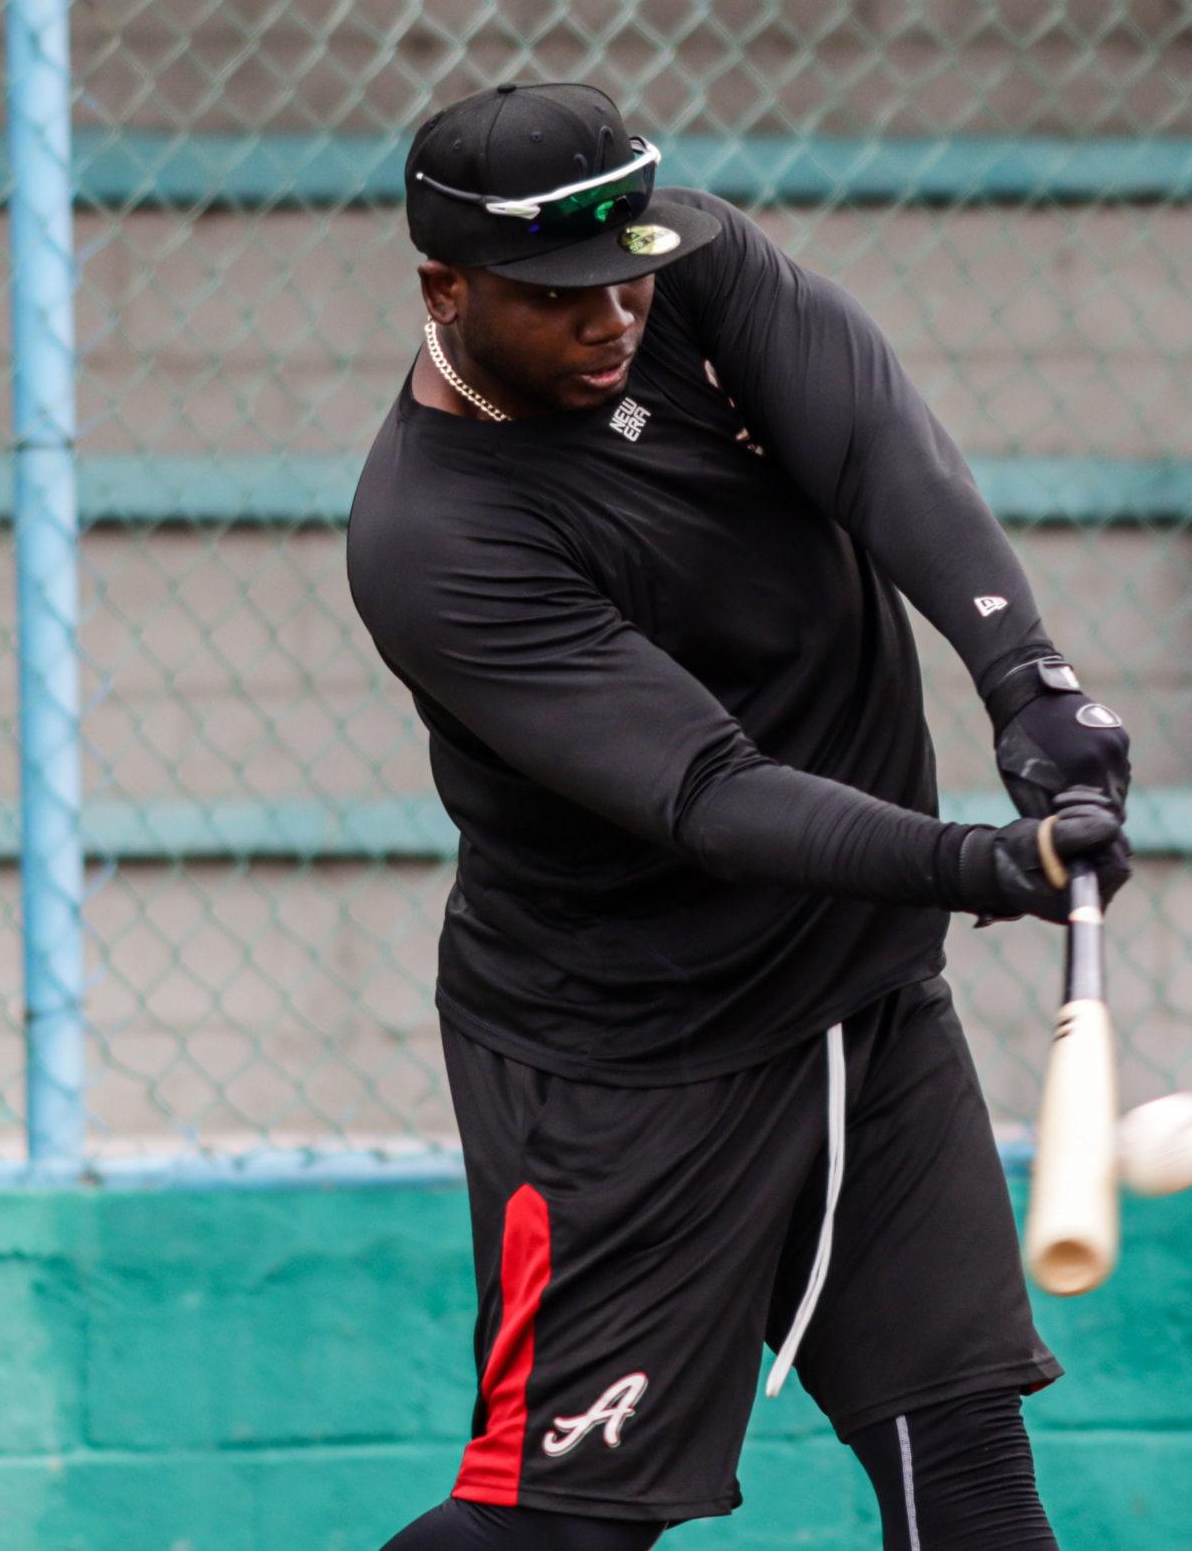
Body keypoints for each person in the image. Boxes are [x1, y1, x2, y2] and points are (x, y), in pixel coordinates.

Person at [346, 82, 1135, 1551]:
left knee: (965, 1468)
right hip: (629, 1070)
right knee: (560, 1530)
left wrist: (1029, 684)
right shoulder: (434, 540)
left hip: (860, 1008)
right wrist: (983, 860)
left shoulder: (694, 279)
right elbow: (709, 794)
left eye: (629, 269)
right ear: (442, 287)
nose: (611, 317)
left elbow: (880, 452)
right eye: (556, 295)